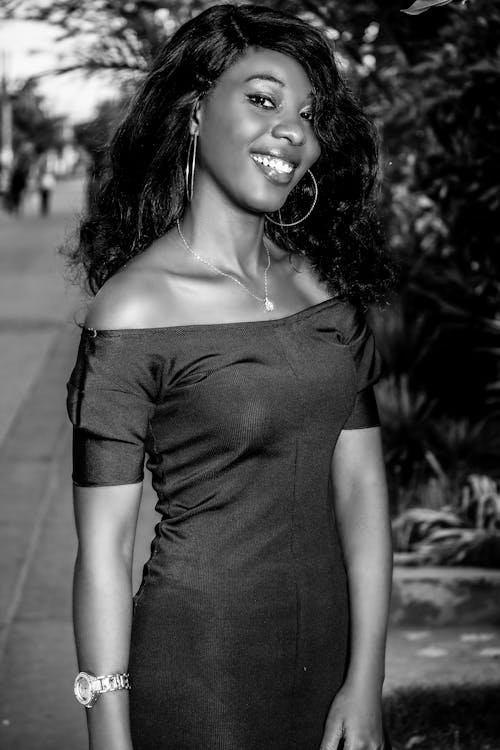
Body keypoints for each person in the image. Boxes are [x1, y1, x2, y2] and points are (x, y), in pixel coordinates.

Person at [65, 5, 396, 750]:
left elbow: (363, 490)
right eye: (262, 99)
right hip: (200, 667)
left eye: (307, 115)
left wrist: (367, 676)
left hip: (330, 658)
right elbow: (104, 550)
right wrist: (109, 737)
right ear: (194, 109)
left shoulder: (323, 292)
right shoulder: (133, 310)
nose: (292, 131)